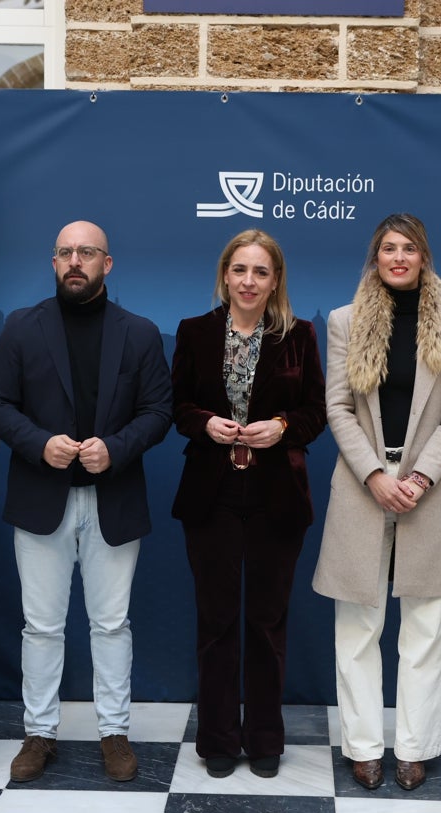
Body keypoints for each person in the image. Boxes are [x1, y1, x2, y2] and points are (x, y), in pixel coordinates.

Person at [0, 220, 172, 784]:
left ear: (107, 264)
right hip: (43, 498)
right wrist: (41, 443)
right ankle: (39, 734)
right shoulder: (21, 327)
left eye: (86, 253)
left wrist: (114, 450)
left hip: (112, 499)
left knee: (111, 625)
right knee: (40, 627)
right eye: (65, 252)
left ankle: (114, 733)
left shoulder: (139, 332)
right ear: (53, 261)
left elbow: (159, 412)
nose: (75, 262)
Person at [313, 213, 441, 792]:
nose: (398, 257)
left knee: (426, 629)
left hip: (429, 489)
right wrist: (377, 474)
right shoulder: (344, 321)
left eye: (408, 248)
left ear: (424, 257)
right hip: (363, 487)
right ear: (375, 258)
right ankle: (362, 747)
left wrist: (420, 477)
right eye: (388, 248)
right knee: (358, 626)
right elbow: (336, 407)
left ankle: (413, 747)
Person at [170, 230, 327, 779]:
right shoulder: (194, 332)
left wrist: (281, 427)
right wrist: (205, 423)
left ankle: (263, 738)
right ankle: (217, 737)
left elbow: (315, 413)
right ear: (225, 274)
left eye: (261, 272)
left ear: (275, 279)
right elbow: (178, 406)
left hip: (275, 495)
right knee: (215, 621)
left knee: (266, 622)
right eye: (240, 270)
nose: (249, 281)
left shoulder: (300, 335)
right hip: (211, 494)